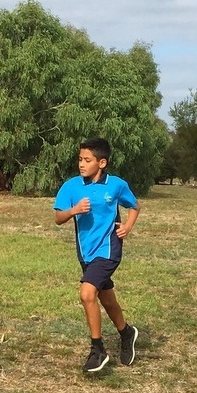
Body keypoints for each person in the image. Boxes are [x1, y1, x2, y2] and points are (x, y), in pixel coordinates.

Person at [54, 137, 140, 373]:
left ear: (102, 162)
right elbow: (58, 218)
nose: (82, 164)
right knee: (106, 298)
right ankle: (126, 332)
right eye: (80, 159)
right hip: (86, 253)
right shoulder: (71, 186)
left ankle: (97, 349)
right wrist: (74, 210)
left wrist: (128, 227)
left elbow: (134, 206)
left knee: (87, 293)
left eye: (87, 160)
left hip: (108, 249)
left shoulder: (116, 185)